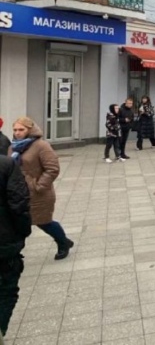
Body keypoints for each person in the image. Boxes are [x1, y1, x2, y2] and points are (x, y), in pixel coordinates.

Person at [10, 117, 73, 260]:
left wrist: (38, 186)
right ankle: (13, 252)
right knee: (16, 223)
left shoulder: (41, 146)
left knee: (43, 222)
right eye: (15, 130)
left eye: (21, 129)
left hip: (38, 193)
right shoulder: (13, 146)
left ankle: (63, 242)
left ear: (30, 130)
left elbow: (52, 168)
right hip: (18, 192)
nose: (17, 133)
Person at [0, 155, 31, 338]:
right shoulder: (6, 164)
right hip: (4, 242)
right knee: (6, 291)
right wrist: (22, 232)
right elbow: (19, 204)